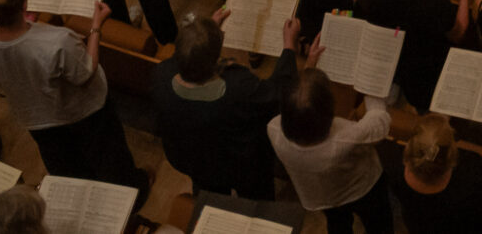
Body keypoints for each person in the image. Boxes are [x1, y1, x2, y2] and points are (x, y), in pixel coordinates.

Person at [0, 0, 145, 186]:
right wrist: (96, 26)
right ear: (24, 5)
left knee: (67, 166)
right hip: (82, 113)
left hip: (35, 117)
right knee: (109, 158)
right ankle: (134, 190)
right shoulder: (57, 41)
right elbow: (85, 72)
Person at [152, 13, 293, 201]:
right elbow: (278, 93)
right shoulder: (237, 87)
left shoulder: (161, 74)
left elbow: (186, 55)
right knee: (256, 200)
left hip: (194, 160)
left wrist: (202, 35)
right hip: (240, 166)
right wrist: (289, 47)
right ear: (213, 61)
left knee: (210, 195)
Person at [271, 57, 397, 234]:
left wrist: (307, 72)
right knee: (378, 223)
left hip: (324, 195)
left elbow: (300, 108)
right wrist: (372, 85)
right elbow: (379, 121)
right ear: (330, 110)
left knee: (338, 223)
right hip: (364, 188)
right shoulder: (346, 137)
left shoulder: (273, 129)